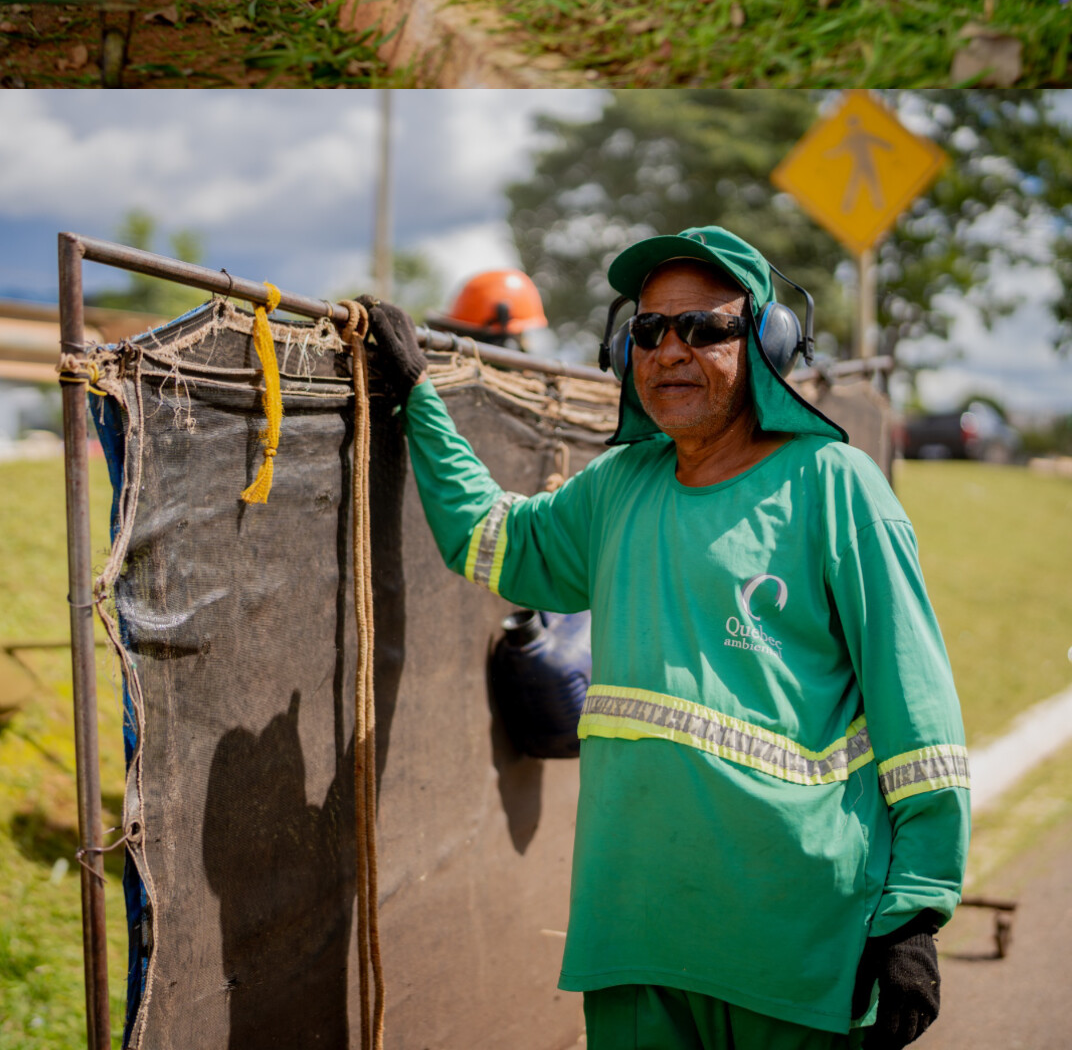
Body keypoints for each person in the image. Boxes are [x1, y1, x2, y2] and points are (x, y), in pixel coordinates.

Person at [359, 225, 963, 1048]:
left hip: (794, 947)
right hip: (632, 938)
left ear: (766, 342)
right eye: (649, 331)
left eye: (703, 328)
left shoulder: (836, 487)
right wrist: (418, 403)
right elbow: (493, 541)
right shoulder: (618, 487)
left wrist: (915, 913)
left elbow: (916, 711)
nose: (670, 350)